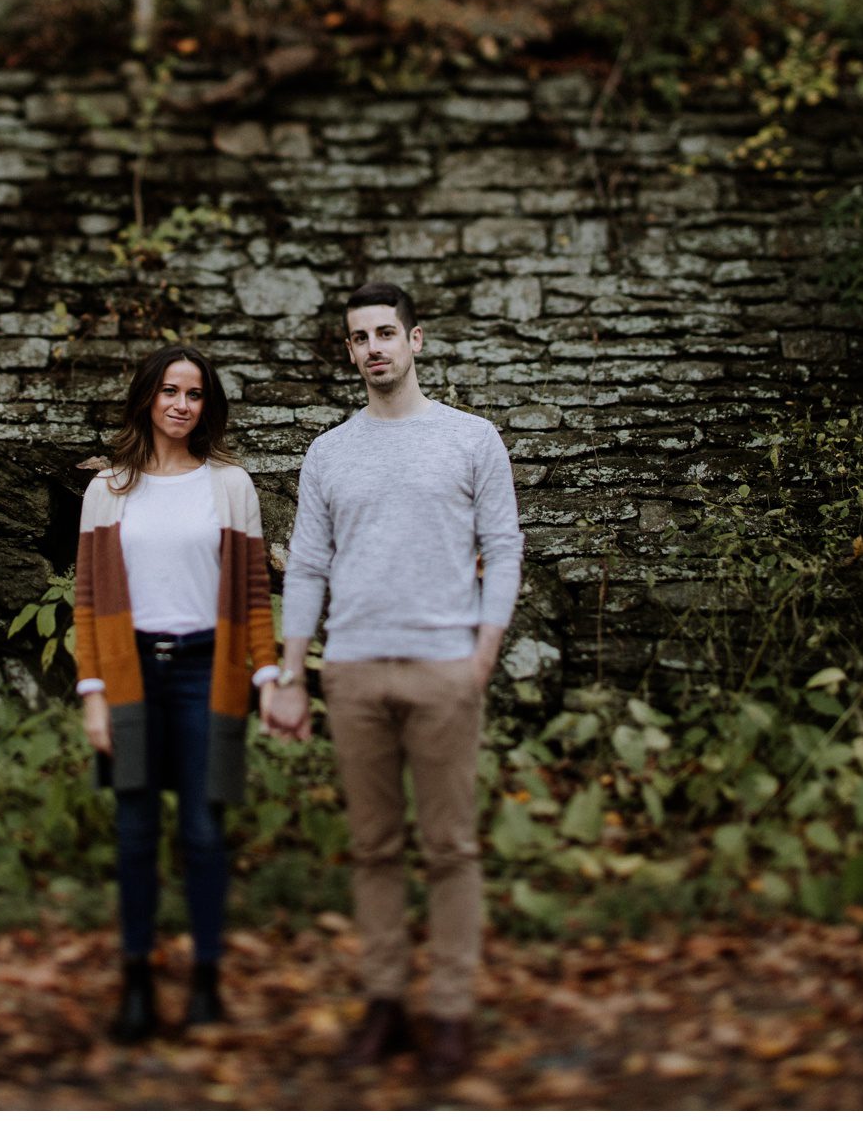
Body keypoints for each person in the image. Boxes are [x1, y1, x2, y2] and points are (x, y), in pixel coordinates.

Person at [261, 280, 524, 1082]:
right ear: (349, 352)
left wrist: (483, 653)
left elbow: (504, 547)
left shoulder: (471, 439)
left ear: (417, 341)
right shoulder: (330, 451)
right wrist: (293, 673)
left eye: (386, 333)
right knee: (374, 848)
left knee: (449, 846)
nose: (373, 347)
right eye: (358, 338)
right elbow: (306, 565)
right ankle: (383, 1005)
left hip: (446, 667)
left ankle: (447, 1011)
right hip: (353, 670)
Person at [72, 344, 281, 1044]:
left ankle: (206, 982)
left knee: (202, 830)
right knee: (135, 832)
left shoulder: (231, 486)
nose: (181, 405)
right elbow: (89, 601)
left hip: (204, 674)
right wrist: (94, 694)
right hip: (132, 673)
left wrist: (267, 676)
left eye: (193, 394)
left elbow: (253, 593)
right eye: (169, 391)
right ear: (146, 398)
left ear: (206, 405)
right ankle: (135, 982)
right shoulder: (108, 491)